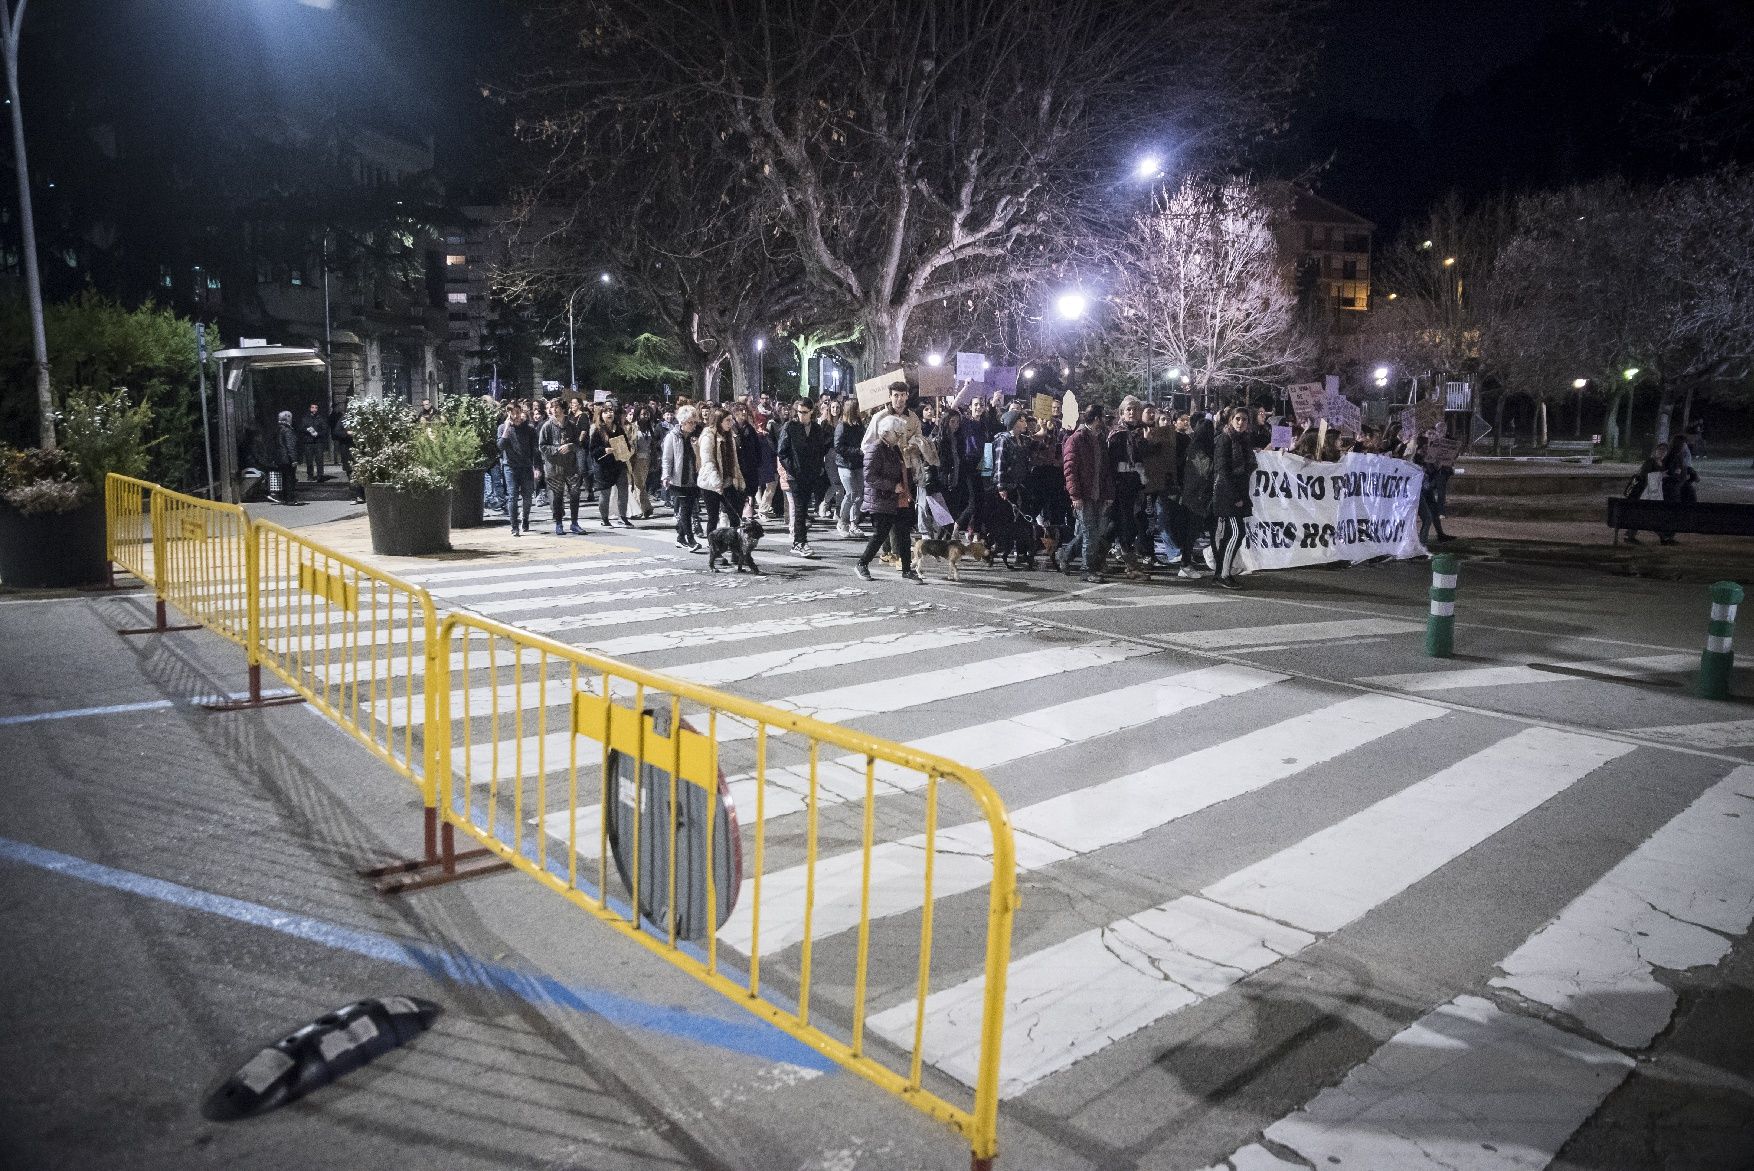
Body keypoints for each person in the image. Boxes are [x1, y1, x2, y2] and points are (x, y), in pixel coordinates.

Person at [854, 415, 922, 582]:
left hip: (897, 498)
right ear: (886, 432)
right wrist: (892, 486)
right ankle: (862, 563)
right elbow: (869, 477)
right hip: (881, 498)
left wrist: (906, 489)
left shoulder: (893, 448)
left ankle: (907, 569)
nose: (900, 437)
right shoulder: (875, 448)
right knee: (880, 534)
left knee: (904, 534)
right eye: (897, 434)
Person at [1059, 404, 1114, 583]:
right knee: (1090, 532)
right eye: (1103, 417)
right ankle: (1087, 569)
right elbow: (1070, 470)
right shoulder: (1076, 439)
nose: (1105, 420)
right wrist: (1075, 495)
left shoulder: (1100, 439)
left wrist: (1107, 494)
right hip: (1083, 495)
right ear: (1097, 418)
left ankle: (1065, 555)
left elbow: (1105, 469)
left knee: (1092, 532)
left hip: (1097, 493)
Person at [1106, 395, 1152, 579]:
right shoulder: (1117, 434)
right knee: (1125, 526)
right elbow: (1112, 463)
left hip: (1135, 486)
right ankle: (1131, 567)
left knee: (1116, 527)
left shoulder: (1141, 433)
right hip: (1120, 486)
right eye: (1128, 410)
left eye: (1135, 409)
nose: (1132, 413)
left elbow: (1144, 458)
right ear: (1122, 413)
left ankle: (1076, 556)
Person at [778, 397, 829, 557]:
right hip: (795, 475)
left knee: (804, 509)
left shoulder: (816, 428)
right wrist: (791, 469)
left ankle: (799, 541)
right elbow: (782, 451)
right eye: (799, 412)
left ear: (811, 412)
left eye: (805, 412)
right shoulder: (790, 427)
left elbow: (821, 449)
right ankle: (800, 542)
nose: (801, 415)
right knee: (800, 509)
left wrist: (817, 468)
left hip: (810, 474)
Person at [1212, 406, 1255, 588]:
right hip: (1227, 494)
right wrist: (1235, 496)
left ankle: (1221, 572)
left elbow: (1248, 467)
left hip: (1239, 492)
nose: (1240, 422)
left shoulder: (1244, 440)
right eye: (1237, 418)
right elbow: (1222, 471)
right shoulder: (1225, 439)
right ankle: (1223, 575)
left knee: (1231, 534)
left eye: (1244, 419)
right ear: (1230, 420)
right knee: (1237, 533)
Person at [539, 399, 586, 535]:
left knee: (575, 493)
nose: (554, 410)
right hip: (554, 467)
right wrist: (556, 449)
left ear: (563, 409)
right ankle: (559, 523)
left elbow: (578, 444)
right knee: (557, 496)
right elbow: (542, 446)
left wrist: (570, 446)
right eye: (553, 407)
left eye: (557, 407)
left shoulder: (571, 425)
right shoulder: (547, 426)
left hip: (571, 466)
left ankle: (574, 523)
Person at [697, 407, 747, 532]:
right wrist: (716, 482)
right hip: (710, 483)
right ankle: (712, 543)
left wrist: (739, 479)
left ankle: (735, 541)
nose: (731, 423)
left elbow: (734, 461)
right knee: (713, 517)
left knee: (735, 514)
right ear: (719, 421)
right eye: (728, 420)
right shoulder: (708, 436)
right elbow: (708, 462)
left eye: (731, 420)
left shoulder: (730, 435)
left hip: (728, 480)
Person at [1178, 417, 1215, 577]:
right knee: (1192, 531)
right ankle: (1185, 564)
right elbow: (1204, 470)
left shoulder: (1194, 446)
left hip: (1194, 494)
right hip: (1197, 495)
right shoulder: (1198, 448)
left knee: (1193, 530)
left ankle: (1187, 562)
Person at [662, 404, 702, 550]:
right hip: (678, 479)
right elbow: (667, 458)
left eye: (694, 422)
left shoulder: (694, 437)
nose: (692, 425)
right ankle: (691, 540)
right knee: (685, 510)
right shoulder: (672, 436)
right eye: (690, 422)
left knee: (689, 508)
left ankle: (680, 537)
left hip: (693, 477)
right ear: (682, 422)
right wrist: (666, 475)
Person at [498, 402, 539, 536]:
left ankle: (525, 518)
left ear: (521, 412)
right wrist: (506, 430)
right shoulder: (503, 427)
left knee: (527, 496)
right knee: (512, 496)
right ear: (508, 414)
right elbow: (500, 446)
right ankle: (514, 526)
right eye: (512, 413)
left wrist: (537, 467)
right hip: (510, 466)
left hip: (526, 466)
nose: (515, 416)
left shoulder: (529, 429)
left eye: (517, 412)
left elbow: (535, 450)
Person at [589, 405, 634, 527]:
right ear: (601, 415)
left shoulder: (619, 429)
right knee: (605, 493)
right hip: (604, 467)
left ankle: (623, 517)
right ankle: (605, 518)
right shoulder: (597, 430)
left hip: (619, 464)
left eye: (611, 411)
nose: (609, 414)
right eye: (606, 412)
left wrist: (625, 450)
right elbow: (593, 450)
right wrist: (604, 450)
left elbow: (626, 445)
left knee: (623, 491)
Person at [1620, 441, 1669, 545]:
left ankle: (1631, 534)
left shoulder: (1662, 464)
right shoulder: (1650, 462)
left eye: (1664, 451)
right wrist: (1661, 475)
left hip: (1651, 494)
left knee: (1647, 514)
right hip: (1642, 493)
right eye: (1660, 450)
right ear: (1655, 451)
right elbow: (1645, 476)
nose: (1661, 452)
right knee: (1646, 514)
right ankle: (1663, 537)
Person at [832, 400, 867, 538]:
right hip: (845, 464)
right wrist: (857, 451)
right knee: (851, 493)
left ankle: (854, 523)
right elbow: (838, 447)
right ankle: (843, 521)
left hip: (858, 464)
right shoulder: (842, 426)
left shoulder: (859, 425)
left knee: (860, 494)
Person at [628, 405, 659, 518]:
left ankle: (645, 508)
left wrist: (655, 460)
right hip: (635, 459)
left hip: (647, 459)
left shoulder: (651, 428)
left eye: (647, 414)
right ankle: (640, 509)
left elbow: (653, 446)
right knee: (638, 484)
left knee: (641, 484)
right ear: (638, 415)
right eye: (643, 414)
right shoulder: (632, 428)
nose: (645, 416)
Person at [270, 410, 302, 505]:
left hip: (279, 458)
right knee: (290, 479)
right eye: (291, 418)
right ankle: (290, 499)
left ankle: (284, 497)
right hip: (287, 459)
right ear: (287, 418)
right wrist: (294, 459)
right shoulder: (288, 430)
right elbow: (290, 446)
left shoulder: (277, 429)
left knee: (283, 478)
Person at [299, 403, 329, 482]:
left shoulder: (321, 418)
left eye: (316, 408)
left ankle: (320, 475)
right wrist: (307, 430)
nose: (314, 409)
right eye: (313, 407)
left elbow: (325, 430)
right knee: (309, 460)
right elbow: (301, 428)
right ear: (310, 408)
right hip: (308, 442)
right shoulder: (305, 418)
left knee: (319, 460)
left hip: (318, 442)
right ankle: (310, 475)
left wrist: (318, 434)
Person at [327, 401, 352, 481]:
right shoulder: (344, 418)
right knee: (349, 467)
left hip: (357, 446)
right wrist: (346, 433)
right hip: (346, 445)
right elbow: (336, 431)